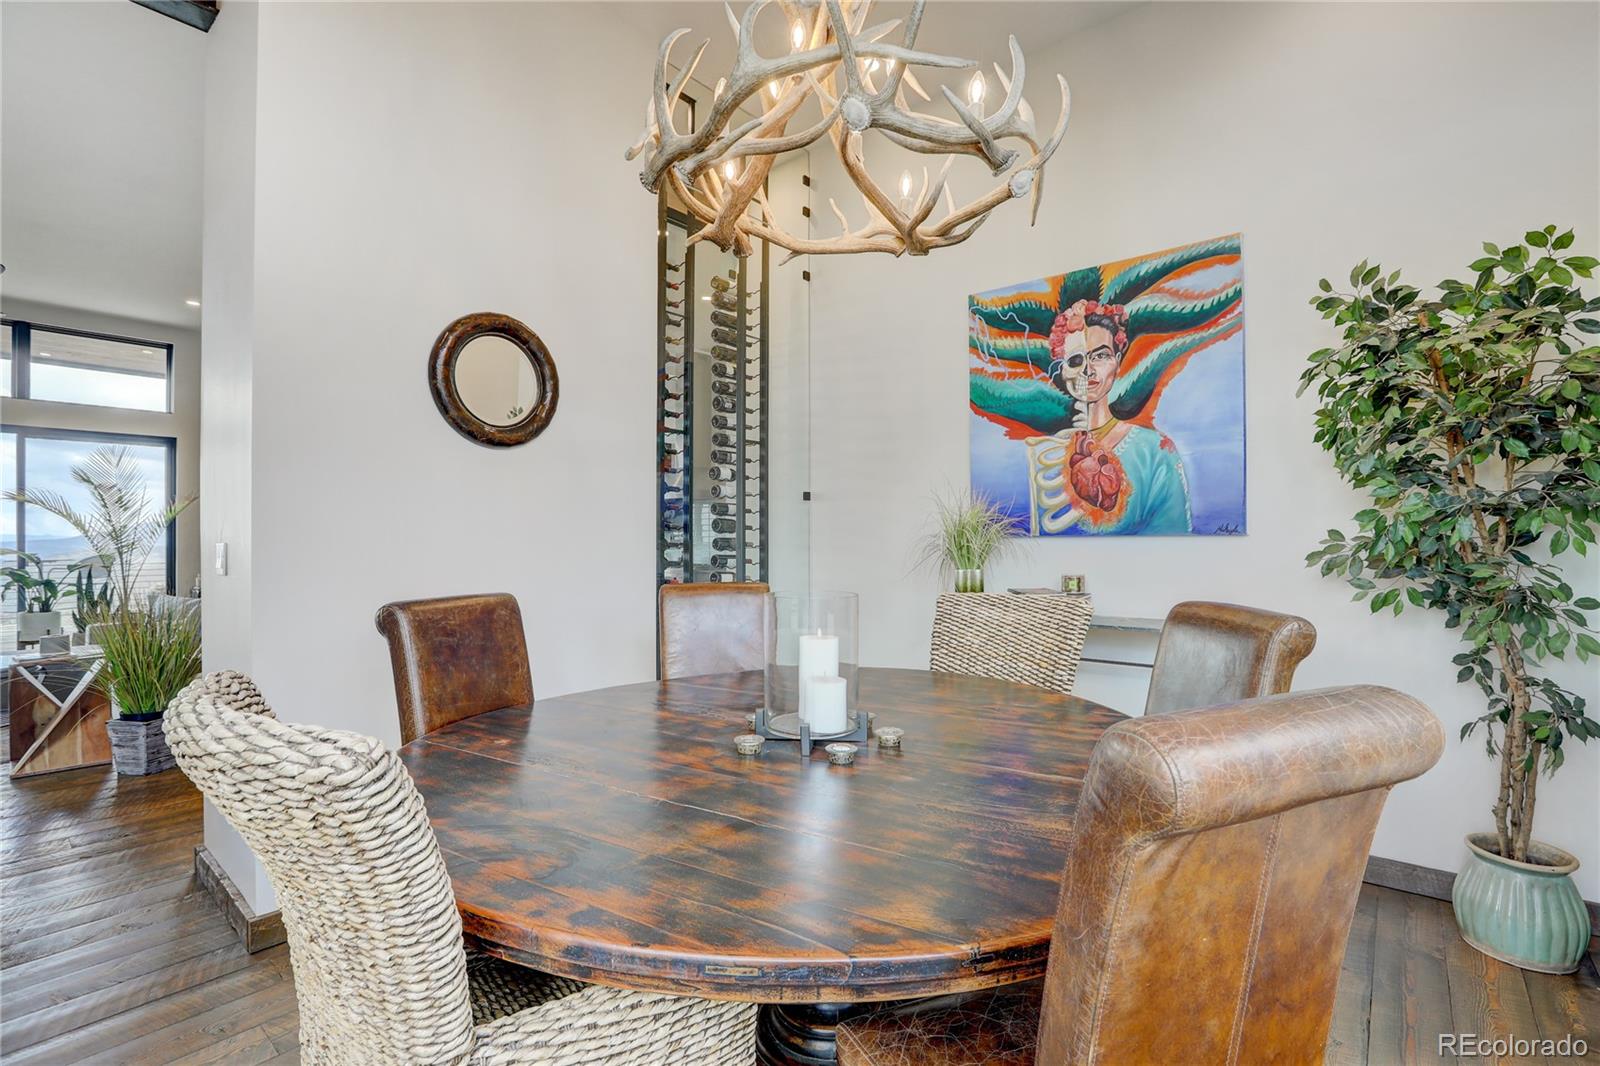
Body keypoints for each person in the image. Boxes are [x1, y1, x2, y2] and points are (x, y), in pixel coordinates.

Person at [1034, 299, 1192, 534]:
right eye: (1076, 360)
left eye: (1100, 356)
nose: (1088, 370)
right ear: (1063, 370)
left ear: (1117, 363)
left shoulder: (1156, 452)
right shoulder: (1044, 453)